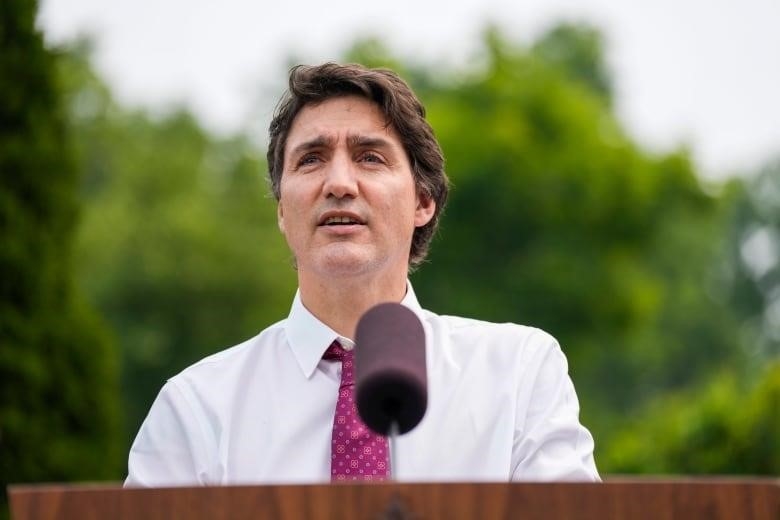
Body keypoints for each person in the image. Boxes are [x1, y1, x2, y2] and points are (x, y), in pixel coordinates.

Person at [125, 63, 599, 486]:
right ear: (282, 212)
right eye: (310, 159)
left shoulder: (518, 374)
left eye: (370, 157)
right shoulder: (197, 407)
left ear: (423, 201)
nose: (338, 184)